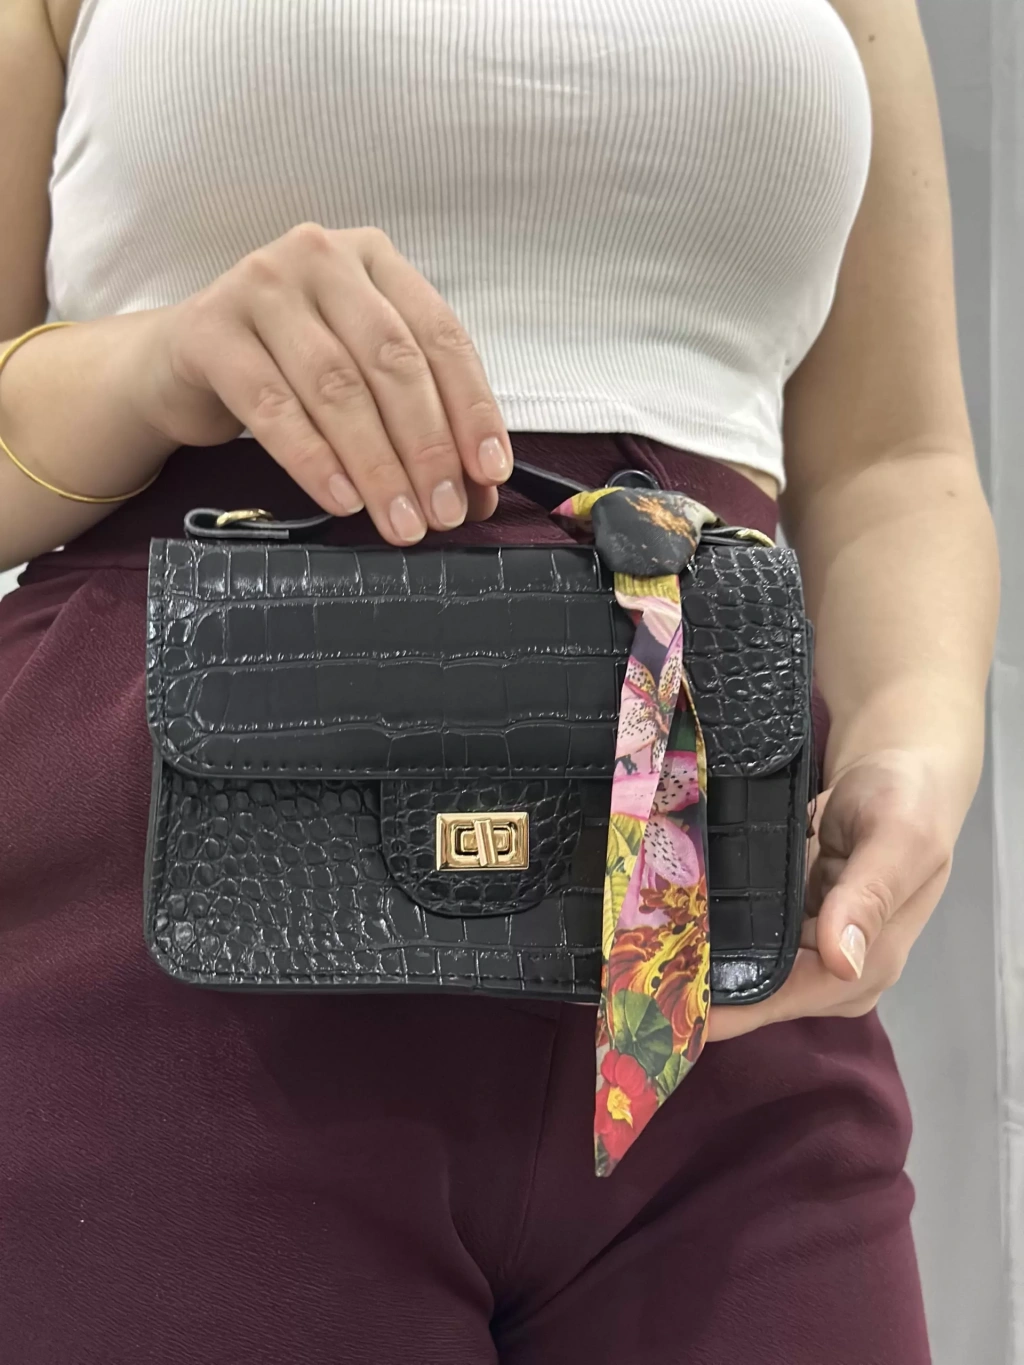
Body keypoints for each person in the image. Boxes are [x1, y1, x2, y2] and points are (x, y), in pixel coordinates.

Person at [0, 0, 998, 1361]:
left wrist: (913, 746)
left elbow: (895, 457)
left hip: (713, 931)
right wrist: (155, 361)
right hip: (169, 907)